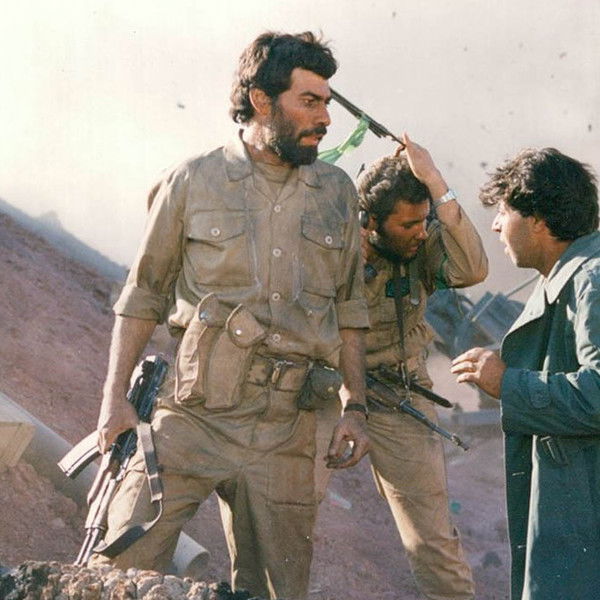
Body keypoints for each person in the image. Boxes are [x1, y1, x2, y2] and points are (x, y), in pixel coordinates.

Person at [89, 31, 370, 600]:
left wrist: (356, 407)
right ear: (262, 101)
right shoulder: (191, 180)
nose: (325, 119)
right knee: (119, 567)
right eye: (309, 102)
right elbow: (143, 294)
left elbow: (349, 310)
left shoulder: (337, 193)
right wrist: (114, 399)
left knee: (278, 590)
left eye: (326, 103)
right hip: (192, 418)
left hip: (287, 429)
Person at [314, 135, 486, 600]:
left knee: (433, 540)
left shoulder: (422, 247)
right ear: (369, 221)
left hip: (399, 394)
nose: (420, 232)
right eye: (407, 224)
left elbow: (472, 269)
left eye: (423, 221)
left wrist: (436, 183)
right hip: (324, 392)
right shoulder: (332, 246)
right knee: (286, 515)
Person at [451, 148, 600, 600]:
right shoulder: (567, 278)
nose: (496, 226)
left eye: (503, 211)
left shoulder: (591, 282)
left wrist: (507, 383)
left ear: (536, 219)